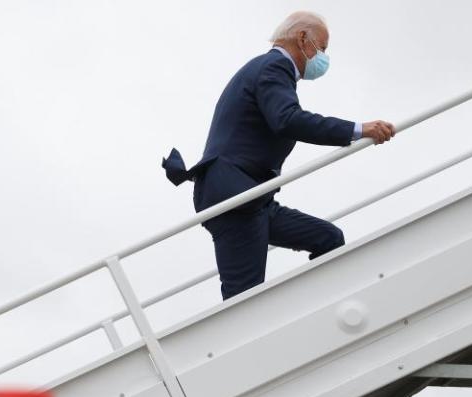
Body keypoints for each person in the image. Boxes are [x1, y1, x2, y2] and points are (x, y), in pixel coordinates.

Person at [163, 11, 395, 300]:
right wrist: (359, 129)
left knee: (329, 239)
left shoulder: (269, 69)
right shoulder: (274, 66)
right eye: (322, 49)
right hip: (235, 197)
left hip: (254, 198)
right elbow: (287, 119)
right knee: (244, 300)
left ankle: (308, 309)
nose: (323, 58)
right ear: (302, 38)